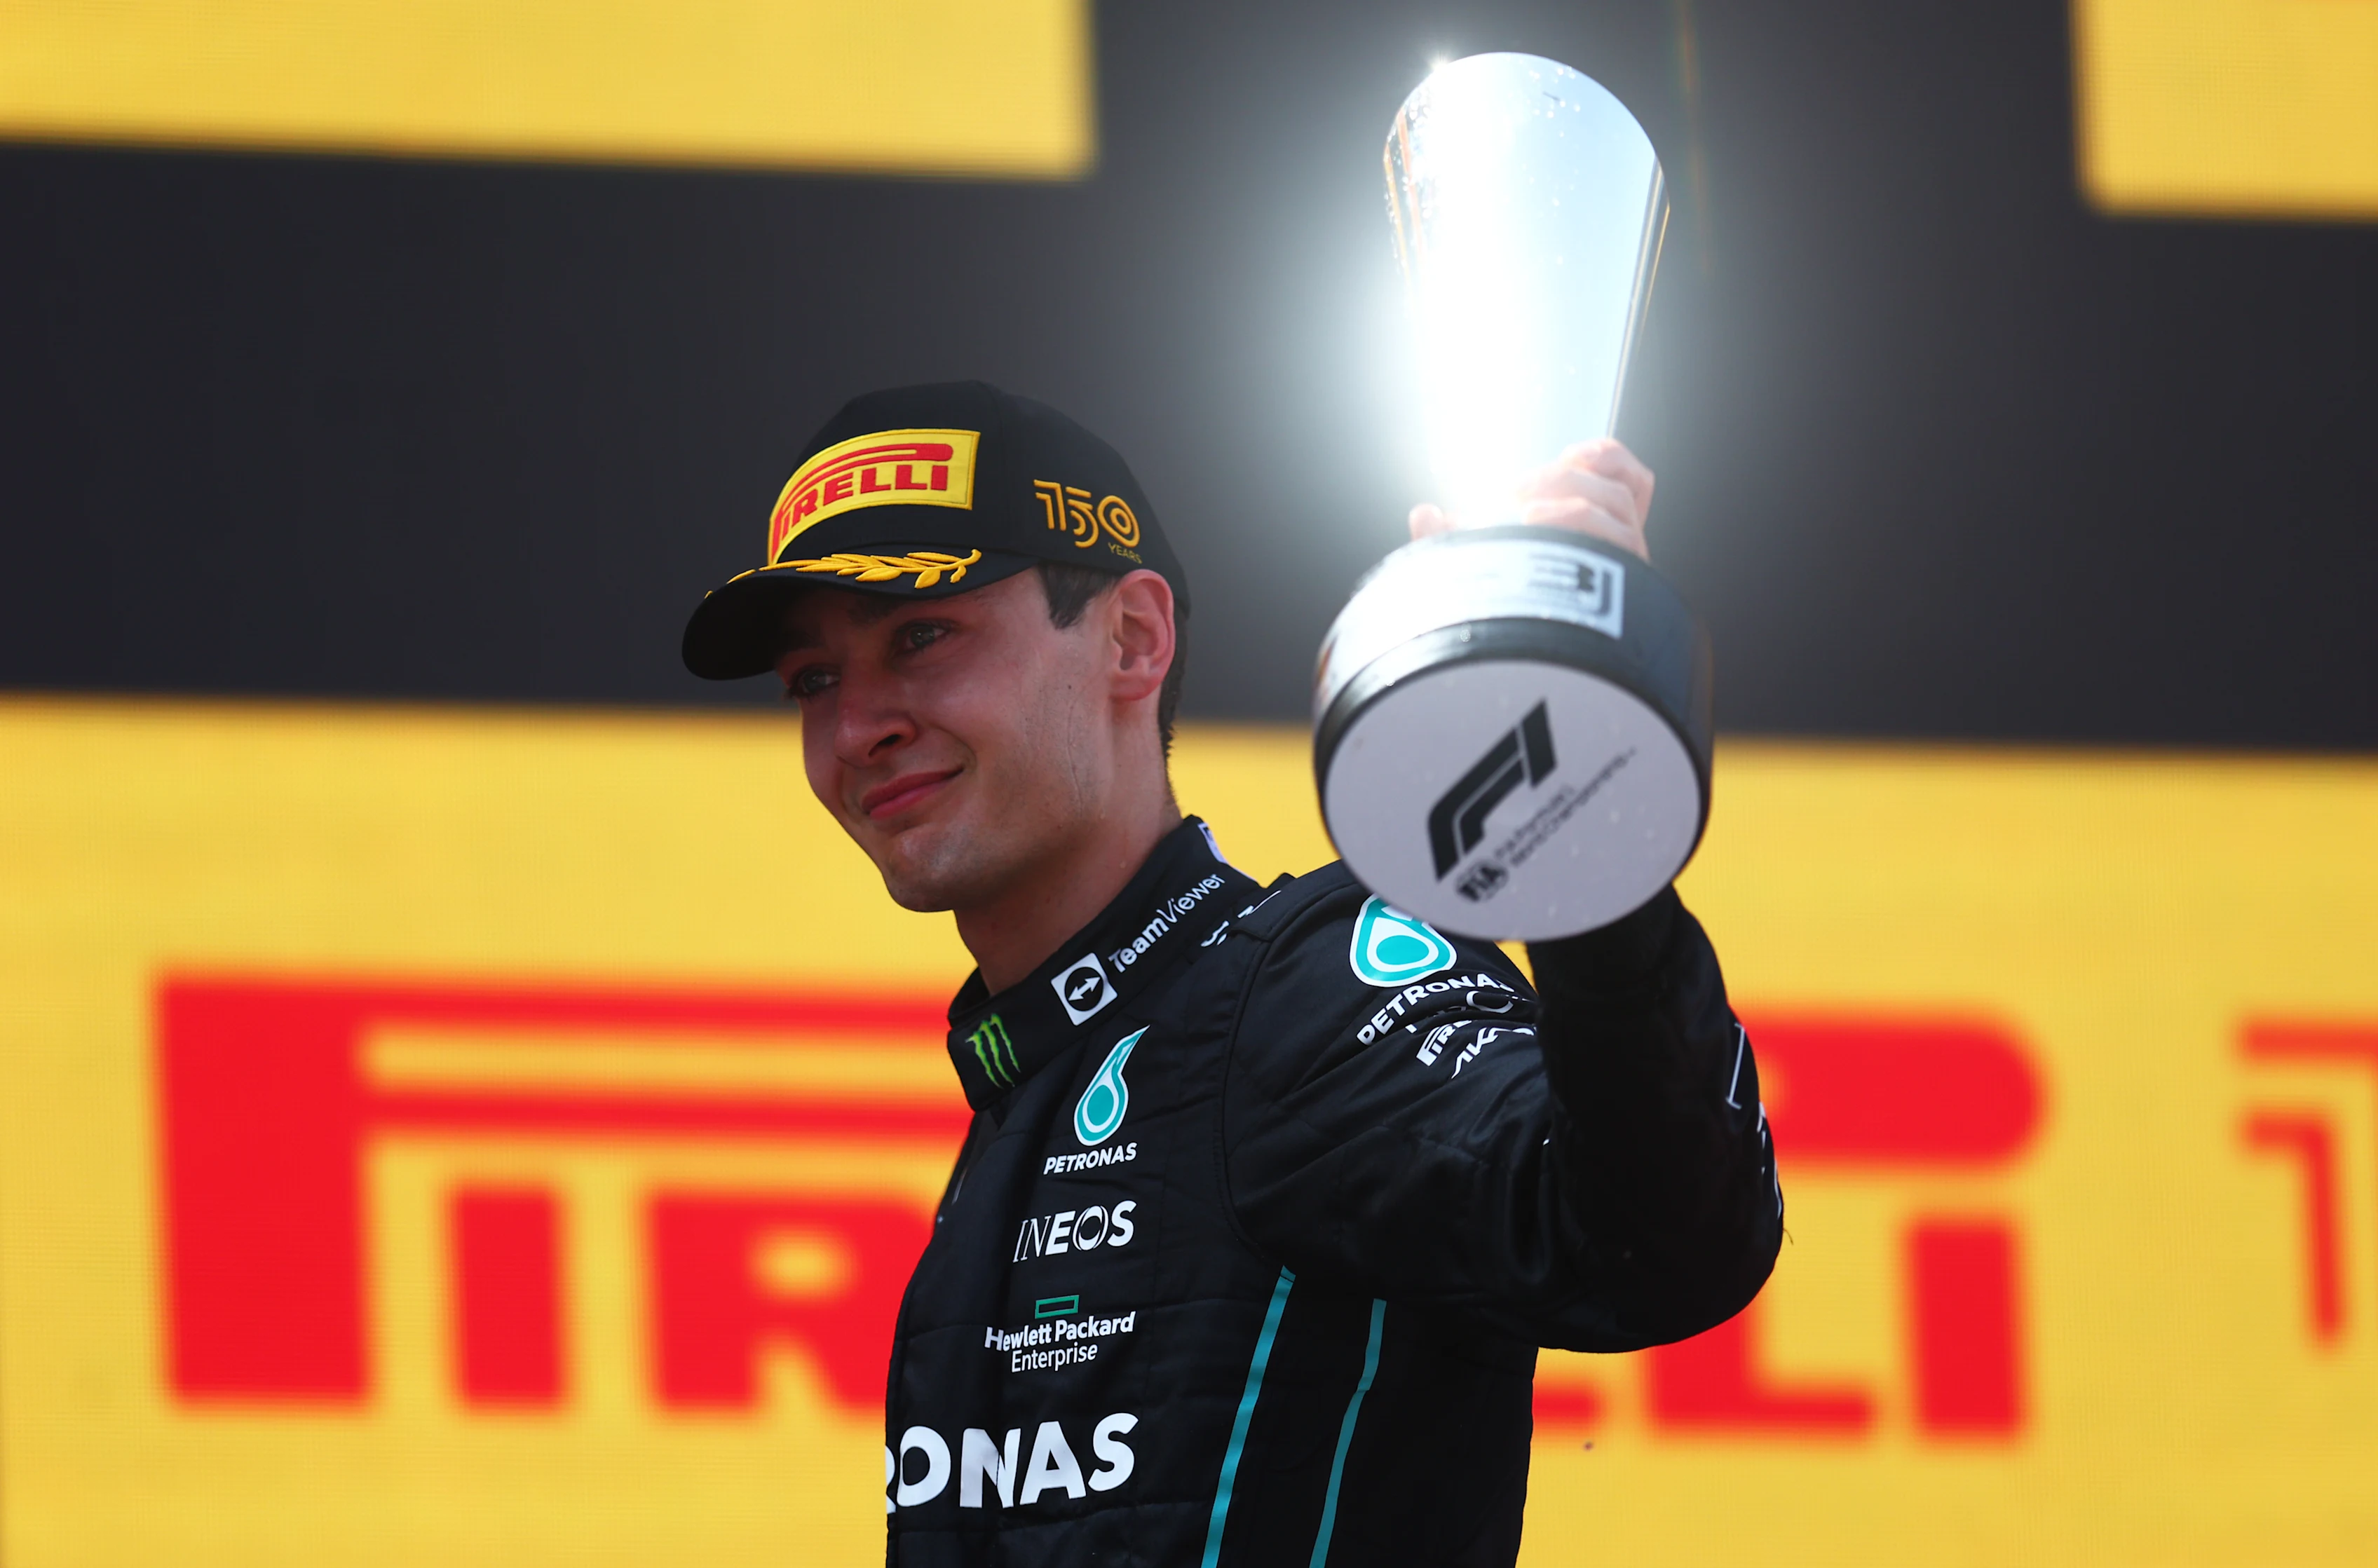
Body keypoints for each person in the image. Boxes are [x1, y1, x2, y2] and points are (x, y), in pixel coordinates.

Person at [682, 381, 1779, 1567]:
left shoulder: (1299, 994)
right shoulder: (1022, 1102)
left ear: (1132, 639)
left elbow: (1663, 1239)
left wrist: (1574, 811)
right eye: (814, 681)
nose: (858, 728)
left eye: (921, 636)